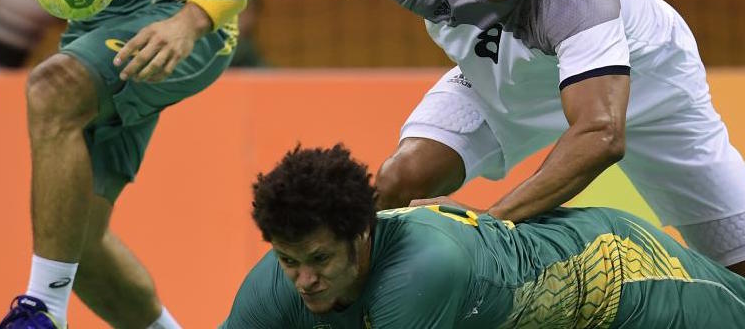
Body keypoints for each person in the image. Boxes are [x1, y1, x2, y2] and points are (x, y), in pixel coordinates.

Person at [83, 0, 745, 276]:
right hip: (491, 81)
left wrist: (494, 225)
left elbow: (601, 132)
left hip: (648, 93)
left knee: (738, 263)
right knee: (397, 184)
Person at [0, 0, 287, 327]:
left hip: (183, 15)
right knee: (74, 243)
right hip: (92, 26)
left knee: (52, 88)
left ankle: (41, 311)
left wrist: (193, 21)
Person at [221, 144, 745, 328]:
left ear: (362, 236)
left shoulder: (419, 272)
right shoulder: (273, 286)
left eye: (318, 258)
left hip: (621, 281)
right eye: (289, 261)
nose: (304, 280)